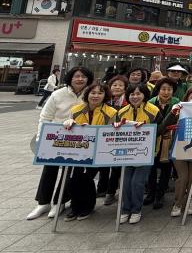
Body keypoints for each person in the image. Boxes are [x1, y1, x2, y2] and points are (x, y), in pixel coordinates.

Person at [27, 66, 93, 220]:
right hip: (55, 138)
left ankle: (59, 201)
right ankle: (43, 203)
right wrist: (41, 139)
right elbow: (45, 117)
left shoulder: (89, 95)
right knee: (50, 169)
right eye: (77, 76)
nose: (80, 79)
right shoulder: (58, 94)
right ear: (70, 78)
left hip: (77, 139)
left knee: (68, 172)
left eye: (83, 76)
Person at [62, 83, 117, 221]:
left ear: (105, 96)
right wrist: (68, 123)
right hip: (78, 152)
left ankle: (87, 206)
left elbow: (110, 134)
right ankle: (75, 207)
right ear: (87, 94)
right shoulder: (76, 110)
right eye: (93, 93)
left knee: (87, 178)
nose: (96, 96)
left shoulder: (111, 112)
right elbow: (69, 127)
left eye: (100, 93)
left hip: (98, 152)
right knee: (74, 179)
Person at [115, 84, 161, 224]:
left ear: (145, 95)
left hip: (145, 153)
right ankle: (125, 209)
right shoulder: (122, 112)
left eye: (138, 94)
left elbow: (158, 130)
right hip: (126, 152)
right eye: (132, 94)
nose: (135, 97)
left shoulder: (153, 111)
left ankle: (136, 209)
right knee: (125, 181)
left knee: (137, 182)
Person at [159, 85, 192, 217]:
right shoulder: (179, 108)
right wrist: (174, 113)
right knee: (182, 176)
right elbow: (163, 127)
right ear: (187, 97)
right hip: (179, 147)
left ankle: (190, 200)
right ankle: (177, 202)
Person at [146, 78, 180, 209]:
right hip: (153, 140)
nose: (166, 92)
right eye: (163, 89)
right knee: (151, 169)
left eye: (169, 89)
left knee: (166, 169)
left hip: (169, 141)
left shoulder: (177, 103)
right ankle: (151, 193)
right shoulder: (151, 102)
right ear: (158, 90)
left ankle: (160, 195)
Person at [97, 75, 129, 205]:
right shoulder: (104, 100)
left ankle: (111, 192)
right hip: (105, 137)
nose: (117, 87)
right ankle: (102, 188)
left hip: (121, 138)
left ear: (125, 88)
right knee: (103, 164)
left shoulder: (128, 101)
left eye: (120, 85)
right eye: (114, 85)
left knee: (116, 166)